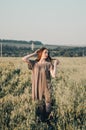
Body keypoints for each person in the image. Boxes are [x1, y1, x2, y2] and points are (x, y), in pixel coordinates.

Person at [22, 47, 59, 119]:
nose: (47, 54)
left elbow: (54, 75)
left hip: (46, 87)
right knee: (40, 106)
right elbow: (24, 59)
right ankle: (42, 121)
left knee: (48, 105)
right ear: (41, 53)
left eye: (47, 53)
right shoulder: (34, 63)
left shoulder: (48, 64)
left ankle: (48, 119)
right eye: (45, 52)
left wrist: (54, 65)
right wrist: (34, 53)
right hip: (37, 86)